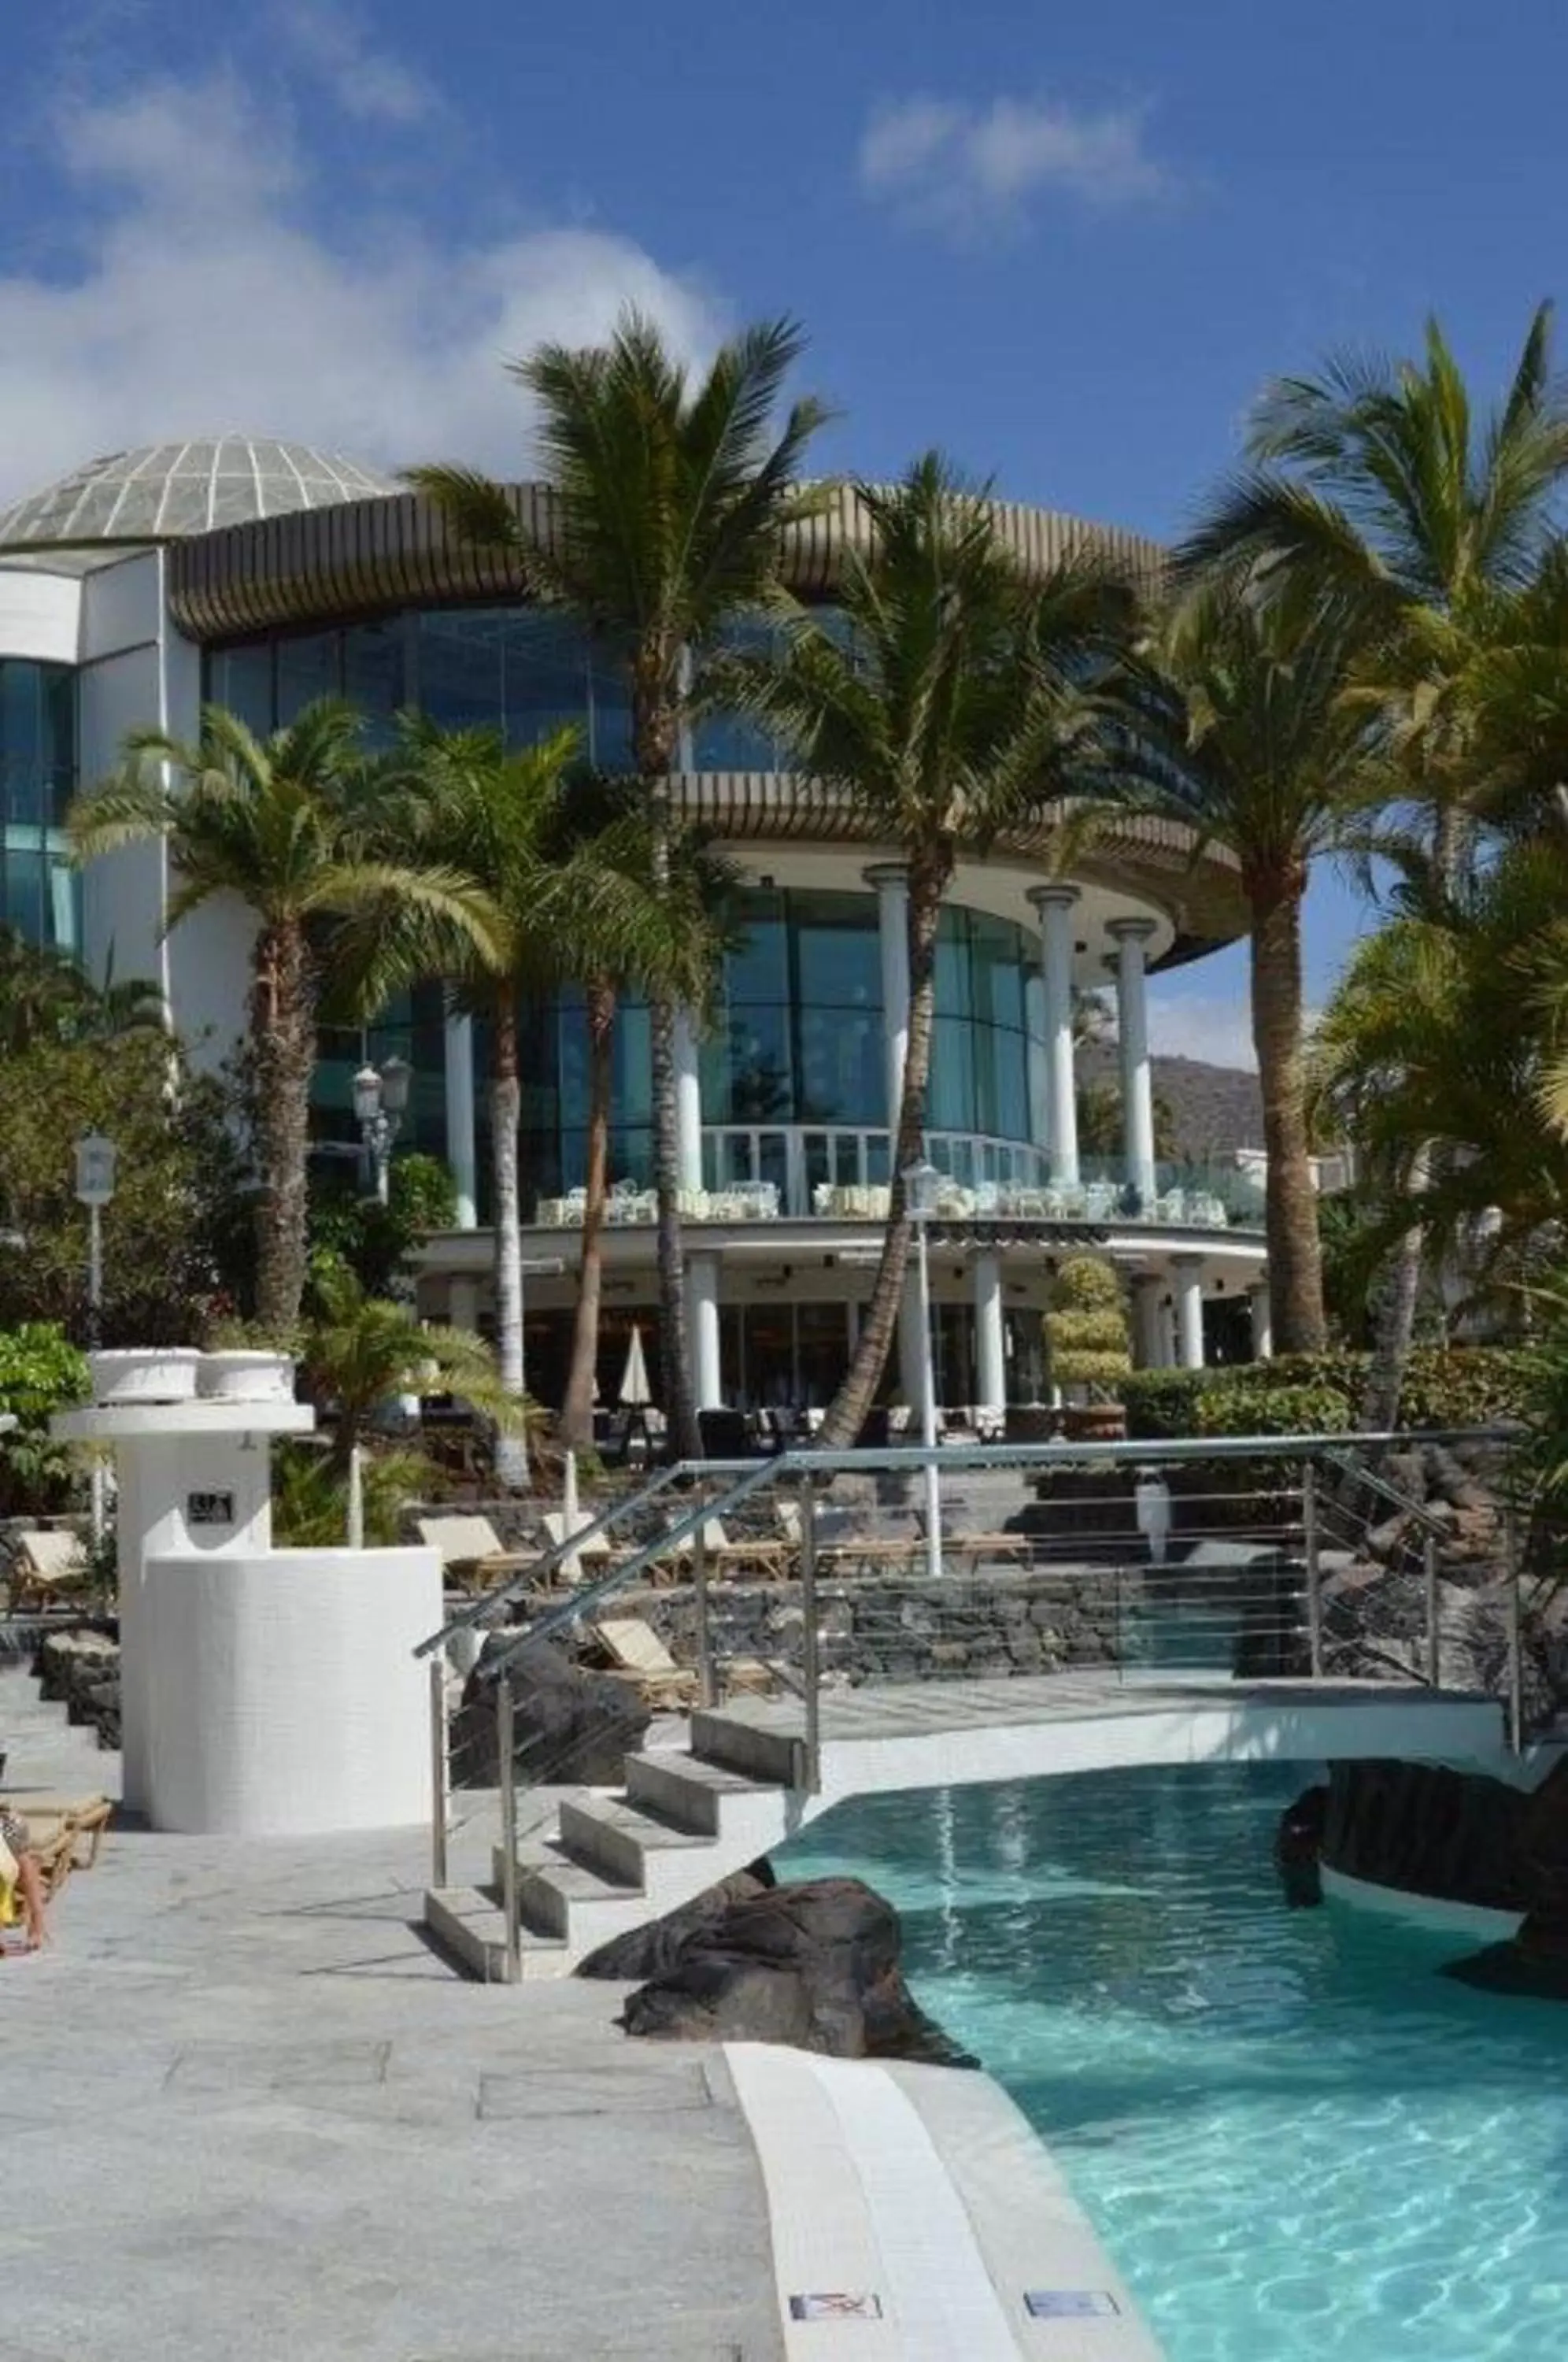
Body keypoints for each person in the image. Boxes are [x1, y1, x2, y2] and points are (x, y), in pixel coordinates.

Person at [0, 1806, 49, 1952]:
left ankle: (37, 1924)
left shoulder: (10, 1828)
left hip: (8, 1828)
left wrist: (37, 1919)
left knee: (20, 1864)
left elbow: (28, 1874)